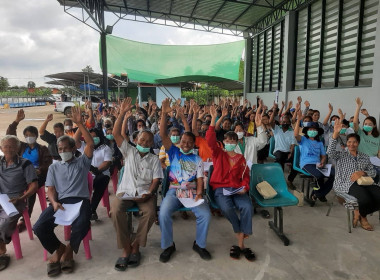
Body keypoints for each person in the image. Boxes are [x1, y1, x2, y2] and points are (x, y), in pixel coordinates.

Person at [33, 106, 94, 277]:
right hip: (61, 202)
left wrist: (80, 124)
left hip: (81, 201)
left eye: (66, 148)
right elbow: (50, 188)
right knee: (39, 227)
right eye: (60, 150)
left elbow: (90, 143)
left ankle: (68, 250)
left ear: (73, 149)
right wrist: (53, 202)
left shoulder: (82, 162)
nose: (63, 152)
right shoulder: (54, 167)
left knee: (82, 223)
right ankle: (58, 248)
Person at [111, 97, 163, 271]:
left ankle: (136, 246)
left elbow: (156, 180)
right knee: (116, 210)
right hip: (126, 192)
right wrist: (123, 114)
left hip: (144, 193)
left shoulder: (155, 159)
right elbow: (116, 134)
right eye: (142, 140)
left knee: (150, 213)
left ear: (152, 143)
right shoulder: (129, 151)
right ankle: (126, 248)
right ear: (136, 140)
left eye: (148, 141)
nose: (145, 143)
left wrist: (149, 192)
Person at [158, 98, 211, 263]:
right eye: (183, 141)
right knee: (164, 213)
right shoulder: (173, 152)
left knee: (206, 215)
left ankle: (200, 244)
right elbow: (162, 134)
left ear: (194, 144)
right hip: (174, 190)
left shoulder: (197, 159)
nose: (186, 144)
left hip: (193, 191)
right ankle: (168, 246)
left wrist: (199, 194)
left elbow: (201, 179)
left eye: (189, 142)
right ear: (179, 142)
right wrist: (164, 114)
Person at [206, 105, 255, 261]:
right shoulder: (218, 153)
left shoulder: (241, 159)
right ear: (224, 141)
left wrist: (245, 187)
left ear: (236, 142)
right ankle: (241, 239)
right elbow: (210, 139)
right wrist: (213, 119)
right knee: (227, 208)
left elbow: (246, 177)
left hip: (237, 189)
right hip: (221, 189)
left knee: (247, 206)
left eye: (232, 140)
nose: (230, 142)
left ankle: (240, 244)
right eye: (227, 140)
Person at [328, 119, 380, 231]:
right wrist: (335, 134)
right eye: (349, 142)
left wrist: (363, 172)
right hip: (347, 183)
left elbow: (373, 171)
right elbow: (330, 153)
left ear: (358, 143)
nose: (352, 144)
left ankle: (360, 213)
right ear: (346, 143)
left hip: (363, 181)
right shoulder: (341, 154)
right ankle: (364, 218)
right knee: (365, 199)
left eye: (354, 142)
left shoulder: (364, 156)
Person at [6, 109, 52, 229]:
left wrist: (39, 169)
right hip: (22, 174)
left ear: (36, 136)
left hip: (38, 175)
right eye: (26, 135)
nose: (28, 137)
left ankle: (25, 218)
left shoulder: (42, 149)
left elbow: (47, 163)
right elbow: (10, 136)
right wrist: (16, 121)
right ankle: (9, 211)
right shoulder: (21, 147)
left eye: (31, 135)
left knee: (30, 189)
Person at [0, 135, 38, 271]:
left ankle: (2, 245)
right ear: (1, 148)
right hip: (1, 198)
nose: (8, 149)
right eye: (5, 146)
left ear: (18, 148)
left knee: (6, 219)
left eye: (12, 146)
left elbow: (34, 185)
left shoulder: (25, 163)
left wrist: (22, 197)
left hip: (16, 199)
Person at [294, 109, 335, 203]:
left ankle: (317, 193)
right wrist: (298, 120)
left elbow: (323, 156)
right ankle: (319, 194)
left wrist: (322, 162)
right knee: (319, 175)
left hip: (318, 164)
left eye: (314, 130)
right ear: (307, 131)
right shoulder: (303, 139)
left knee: (334, 174)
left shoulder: (319, 143)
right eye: (310, 129)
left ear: (317, 131)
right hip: (307, 164)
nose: (312, 131)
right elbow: (296, 134)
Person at [74, 128, 112, 221]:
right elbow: (75, 141)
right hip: (86, 175)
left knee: (101, 181)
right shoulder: (84, 146)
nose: (93, 138)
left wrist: (95, 171)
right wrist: (80, 126)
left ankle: (91, 210)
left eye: (95, 137)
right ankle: (83, 210)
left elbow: (107, 163)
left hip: (101, 173)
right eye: (90, 137)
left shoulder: (105, 148)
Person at [271, 114, 298, 189]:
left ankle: (290, 180)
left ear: (289, 123)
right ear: (280, 122)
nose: (285, 123)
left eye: (287, 122)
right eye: (283, 121)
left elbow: (293, 144)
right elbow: (270, 122)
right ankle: (280, 180)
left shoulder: (292, 132)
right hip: (278, 151)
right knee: (279, 159)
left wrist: (291, 152)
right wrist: (274, 110)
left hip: (288, 152)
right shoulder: (276, 129)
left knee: (297, 161)